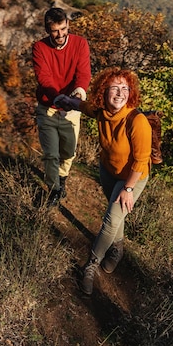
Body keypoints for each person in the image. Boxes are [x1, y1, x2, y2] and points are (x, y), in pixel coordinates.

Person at [55, 67, 152, 295]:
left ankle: (92, 264)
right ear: (104, 91)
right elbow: (87, 107)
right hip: (108, 170)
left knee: (110, 219)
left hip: (133, 177)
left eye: (125, 88)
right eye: (115, 88)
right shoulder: (103, 112)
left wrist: (128, 188)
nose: (120, 93)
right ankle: (117, 247)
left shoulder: (136, 121)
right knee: (114, 212)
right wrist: (68, 101)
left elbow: (141, 159)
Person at [32, 7, 91, 207]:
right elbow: (44, 78)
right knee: (51, 154)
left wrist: (78, 93)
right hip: (48, 107)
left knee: (69, 152)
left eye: (63, 29)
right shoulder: (39, 48)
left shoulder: (80, 44)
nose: (60, 35)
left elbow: (83, 73)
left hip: (71, 109)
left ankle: (62, 178)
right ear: (48, 29)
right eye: (55, 31)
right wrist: (57, 98)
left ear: (68, 25)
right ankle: (54, 189)